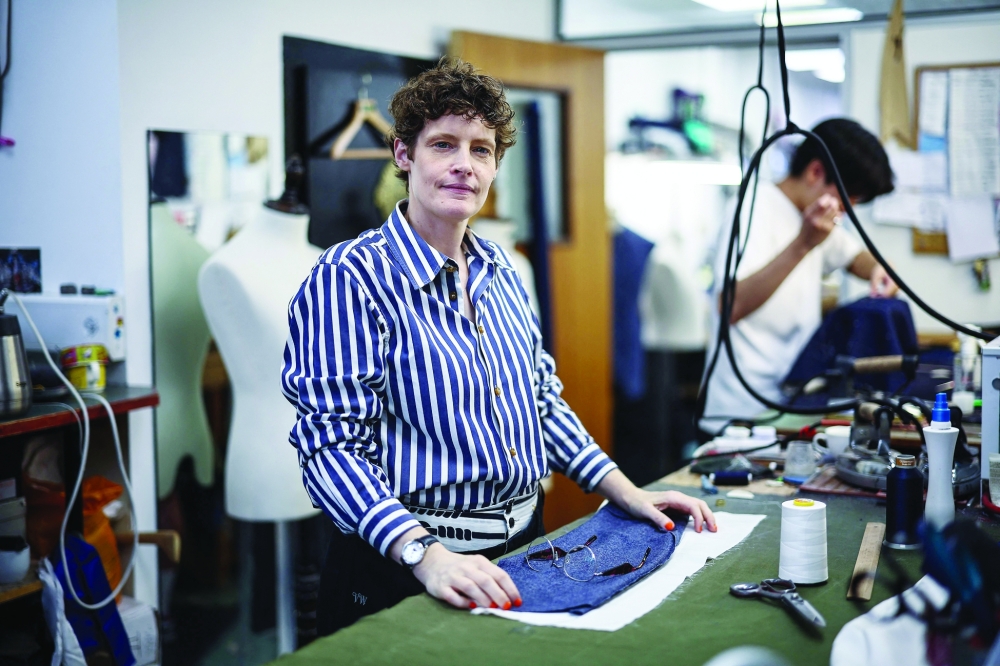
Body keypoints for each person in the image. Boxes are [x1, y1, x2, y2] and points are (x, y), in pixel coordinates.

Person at [281, 57, 716, 635]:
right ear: (404, 155)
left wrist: (627, 491)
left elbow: (541, 403)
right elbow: (331, 448)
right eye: (443, 144)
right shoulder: (348, 279)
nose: (464, 165)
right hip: (407, 567)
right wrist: (425, 555)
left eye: (481, 150)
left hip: (521, 552)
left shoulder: (501, 270)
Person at [702, 118, 898, 431]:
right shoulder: (754, 207)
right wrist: (803, 244)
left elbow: (854, 256)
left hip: (791, 405)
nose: (846, 212)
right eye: (848, 199)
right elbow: (730, 306)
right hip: (742, 417)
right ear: (815, 172)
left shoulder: (817, 219)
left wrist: (877, 268)